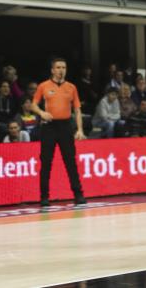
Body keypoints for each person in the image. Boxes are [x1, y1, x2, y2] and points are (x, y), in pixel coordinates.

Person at [31, 58, 86, 207]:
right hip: (49, 127)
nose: (61, 70)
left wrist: (80, 129)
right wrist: (41, 113)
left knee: (70, 162)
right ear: (52, 70)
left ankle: (78, 194)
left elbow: (77, 110)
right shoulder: (43, 86)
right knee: (46, 162)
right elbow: (33, 105)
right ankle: (44, 197)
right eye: (58, 67)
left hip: (66, 127)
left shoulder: (71, 87)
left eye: (64, 67)